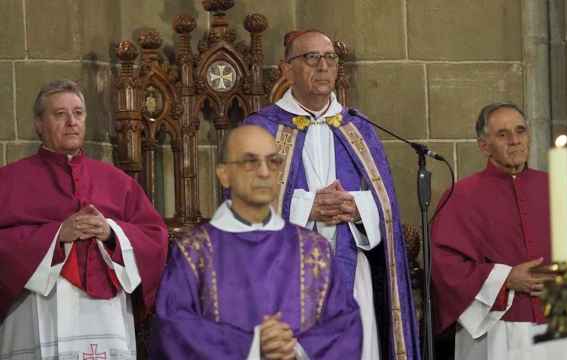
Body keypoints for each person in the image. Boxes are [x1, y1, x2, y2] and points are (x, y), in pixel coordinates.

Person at [244, 30, 420, 360]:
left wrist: (358, 208)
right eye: (311, 58)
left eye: (330, 58)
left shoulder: (359, 129)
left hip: (353, 278)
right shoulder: (261, 129)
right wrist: (308, 207)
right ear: (286, 69)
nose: (323, 66)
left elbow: (386, 206)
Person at [150, 125, 362, 359]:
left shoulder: (314, 248)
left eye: (273, 162)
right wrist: (251, 346)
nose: (264, 172)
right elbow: (172, 330)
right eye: (250, 161)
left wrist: (297, 350)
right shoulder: (193, 250)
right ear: (223, 174)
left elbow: (345, 325)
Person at [0, 80, 168, 359]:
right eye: (60, 114)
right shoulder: (9, 181)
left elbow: (155, 237)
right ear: (39, 124)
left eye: (78, 113)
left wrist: (112, 232)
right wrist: (55, 235)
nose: (71, 122)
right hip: (36, 307)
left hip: (105, 313)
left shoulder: (117, 181)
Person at [431, 102, 567, 360]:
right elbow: (446, 270)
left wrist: (565, 280)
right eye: (503, 134)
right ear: (484, 146)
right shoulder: (461, 196)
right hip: (496, 330)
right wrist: (507, 279)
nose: (515, 141)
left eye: (520, 131)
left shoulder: (555, 186)